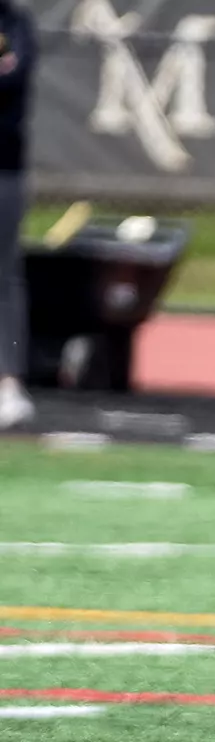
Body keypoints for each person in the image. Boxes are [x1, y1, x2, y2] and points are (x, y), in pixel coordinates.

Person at [0, 0, 35, 430]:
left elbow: (11, 76)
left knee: (4, 274)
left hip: (3, 166)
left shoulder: (15, 24)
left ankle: (7, 382)